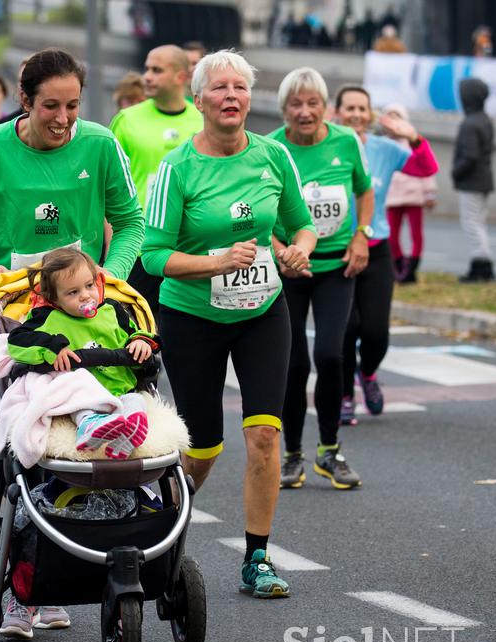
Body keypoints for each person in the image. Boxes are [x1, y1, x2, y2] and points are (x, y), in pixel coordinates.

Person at [0, 47, 144, 639]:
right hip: (15, 320)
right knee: (31, 441)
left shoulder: (100, 145)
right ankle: (23, 588)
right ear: (23, 102)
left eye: (73, 105)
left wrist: (111, 278)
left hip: (87, 310)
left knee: (91, 430)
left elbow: (128, 221)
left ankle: (78, 559)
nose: (64, 118)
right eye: (51, 106)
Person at [142, 50, 316, 598]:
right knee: (203, 448)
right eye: (219, 88)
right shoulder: (178, 169)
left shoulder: (272, 156)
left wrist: (296, 252)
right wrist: (216, 262)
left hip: (263, 311)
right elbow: (153, 256)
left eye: (240, 87)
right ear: (199, 101)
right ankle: (162, 535)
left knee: (265, 433)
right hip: (192, 316)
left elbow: (303, 225)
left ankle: (257, 558)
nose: (231, 96)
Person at [267, 68, 373, 491]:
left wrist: (362, 235)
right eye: (296, 104)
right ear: (284, 110)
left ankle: (330, 449)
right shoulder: (272, 147)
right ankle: (292, 455)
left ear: (325, 107)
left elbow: (364, 190)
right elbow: (258, 207)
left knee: (331, 354)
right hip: (290, 269)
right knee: (294, 364)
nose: (305, 112)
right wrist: (279, 249)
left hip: (335, 267)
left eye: (313, 103)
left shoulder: (346, 141)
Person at [332, 85, 438, 426]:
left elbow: (426, 168)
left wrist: (413, 136)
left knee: (376, 331)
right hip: (337, 252)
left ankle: (369, 373)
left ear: (371, 114)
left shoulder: (385, 149)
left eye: (363, 109)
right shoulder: (325, 147)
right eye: (350, 108)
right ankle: (345, 395)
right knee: (347, 329)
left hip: (377, 250)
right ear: (337, 113)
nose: (357, 115)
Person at [7, 247, 154, 459]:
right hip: (81, 394)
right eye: (73, 292)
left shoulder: (111, 310)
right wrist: (53, 348)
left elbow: (134, 332)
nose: (85, 296)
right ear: (54, 299)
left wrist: (141, 342)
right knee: (80, 403)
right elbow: (17, 342)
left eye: (89, 286)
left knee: (136, 400)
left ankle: (130, 430)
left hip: (119, 387)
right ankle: (89, 425)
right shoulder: (47, 317)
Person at [111, 44, 202, 317]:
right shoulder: (127, 120)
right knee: (135, 337)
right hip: (139, 248)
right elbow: (109, 189)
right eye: (147, 68)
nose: (147, 76)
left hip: (188, 248)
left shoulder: (202, 120)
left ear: (180, 76)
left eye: (156, 70)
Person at [380, 104, 438, 283]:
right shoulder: (382, 145)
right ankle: (398, 264)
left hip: (414, 195)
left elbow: (426, 167)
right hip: (393, 198)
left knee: (416, 233)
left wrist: (429, 194)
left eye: (397, 118)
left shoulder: (412, 143)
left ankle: (412, 266)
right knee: (392, 234)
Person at [453, 77, 495, 283]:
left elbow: (470, 156)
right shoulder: (484, 119)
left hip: (472, 181)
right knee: (478, 222)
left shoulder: (470, 124)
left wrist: (456, 172)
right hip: (483, 180)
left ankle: (481, 266)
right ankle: (482, 262)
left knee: (472, 223)